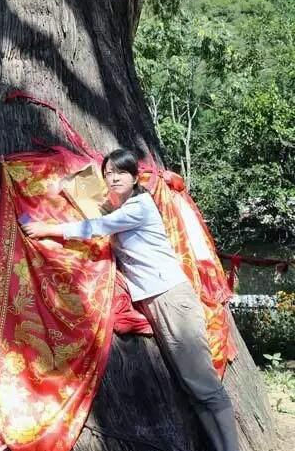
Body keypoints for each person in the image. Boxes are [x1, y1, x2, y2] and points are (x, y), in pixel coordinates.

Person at [21, 148, 240, 451]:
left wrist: (48, 229)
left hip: (171, 297)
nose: (113, 178)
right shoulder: (122, 209)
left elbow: (96, 227)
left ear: (135, 177)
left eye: (120, 172)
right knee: (191, 385)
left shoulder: (139, 206)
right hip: (157, 301)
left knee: (203, 385)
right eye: (108, 173)